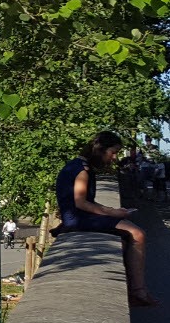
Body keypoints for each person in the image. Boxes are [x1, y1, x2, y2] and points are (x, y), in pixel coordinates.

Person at [55, 131, 156, 306]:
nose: (114, 157)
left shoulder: (76, 164)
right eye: (113, 152)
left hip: (75, 217)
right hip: (77, 219)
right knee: (137, 233)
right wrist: (113, 212)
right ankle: (138, 290)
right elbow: (80, 203)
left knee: (126, 234)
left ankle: (134, 288)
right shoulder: (83, 170)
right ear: (100, 150)